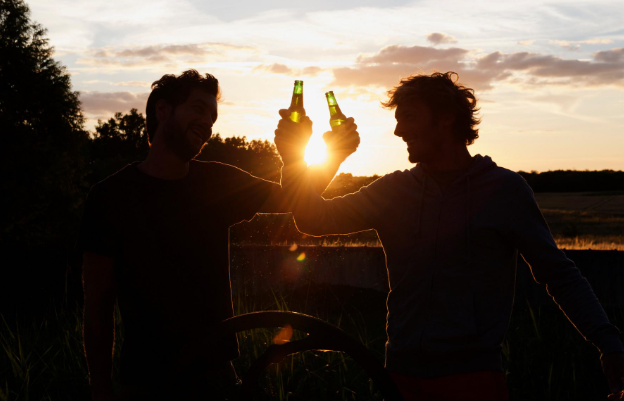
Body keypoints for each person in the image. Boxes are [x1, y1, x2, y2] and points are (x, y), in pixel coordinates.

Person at [274, 71, 624, 400]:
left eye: (408, 117)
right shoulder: (393, 190)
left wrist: (609, 344)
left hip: (474, 381)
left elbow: (558, 274)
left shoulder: (503, 191)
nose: (397, 131)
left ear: (444, 119)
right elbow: (310, 217)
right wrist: (301, 156)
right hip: (400, 377)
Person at [78, 69, 359, 401]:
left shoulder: (216, 182)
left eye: (212, 117)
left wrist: (336, 154)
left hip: (216, 379)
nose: (207, 124)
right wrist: (100, 389)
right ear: (163, 111)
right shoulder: (109, 197)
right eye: (198, 109)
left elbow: (295, 199)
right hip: (147, 382)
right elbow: (97, 304)